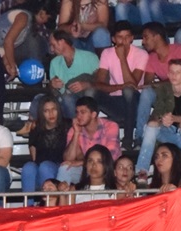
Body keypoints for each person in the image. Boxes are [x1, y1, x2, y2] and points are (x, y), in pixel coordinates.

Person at [92, 21, 147, 151]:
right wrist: (120, 86)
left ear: (132, 38)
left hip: (135, 101)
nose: (124, 41)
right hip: (116, 102)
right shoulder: (107, 53)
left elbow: (133, 84)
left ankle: (128, 140)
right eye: (120, 37)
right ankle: (92, 139)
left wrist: (122, 58)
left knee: (128, 91)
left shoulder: (141, 54)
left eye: (127, 37)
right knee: (92, 93)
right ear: (113, 39)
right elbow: (99, 84)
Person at [57, 96, 118, 185]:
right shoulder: (74, 129)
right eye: (77, 112)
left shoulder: (110, 126)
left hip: (107, 169)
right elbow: (68, 159)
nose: (78, 116)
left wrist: (80, 162)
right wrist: (77, 133)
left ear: (93, 114)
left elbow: (110, 157)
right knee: (65, 168)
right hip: (85, 169)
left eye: (83, 112)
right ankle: (61, 198)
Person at [21, 96, 69, 195]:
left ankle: (47, 205)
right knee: (28, 167)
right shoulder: (36, 127)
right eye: (46, 111)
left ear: (58, 110)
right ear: (42, 113)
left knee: (45, 166)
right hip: (40, 166)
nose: (51, 114)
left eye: (53, 109)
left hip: (60, 166)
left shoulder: (67, 125)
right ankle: (28, 207)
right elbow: (33, 153)